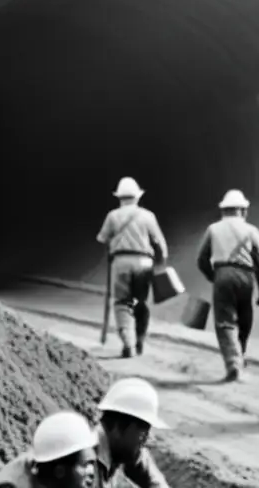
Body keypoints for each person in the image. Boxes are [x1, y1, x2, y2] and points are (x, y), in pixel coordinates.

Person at [196, 189, 259, 381]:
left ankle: (233, 363)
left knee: (225, 322)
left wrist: (214, 276)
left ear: (223, 210)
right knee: (245, 318)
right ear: (242, 211)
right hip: (246, 276)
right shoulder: (252, 231)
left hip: (222, 273)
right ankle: (241, 354)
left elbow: (202, 259)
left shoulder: (213, 229)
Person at [97, 177, 169, 358]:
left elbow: (103, 239)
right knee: (141, 302)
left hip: (121, 262)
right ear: (137, 197)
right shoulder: (148, 216)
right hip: (144, 263)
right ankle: (140, 341)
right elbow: (160, 244)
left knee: (122, 302)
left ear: (119, 198)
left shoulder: (112, 216)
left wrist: (112, 248)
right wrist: (161, 264)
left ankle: (127, 343)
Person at [0, 410, 98, 488]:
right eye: (85, 465)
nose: (91, 471)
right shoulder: (13, 485)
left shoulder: (47, 465)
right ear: (60, 471)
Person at [94, 378, 170, 487]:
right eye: (142, 435)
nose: (144, 442)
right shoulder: (83, 467)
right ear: (117, 428)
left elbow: (142, 464)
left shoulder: (116, 446)